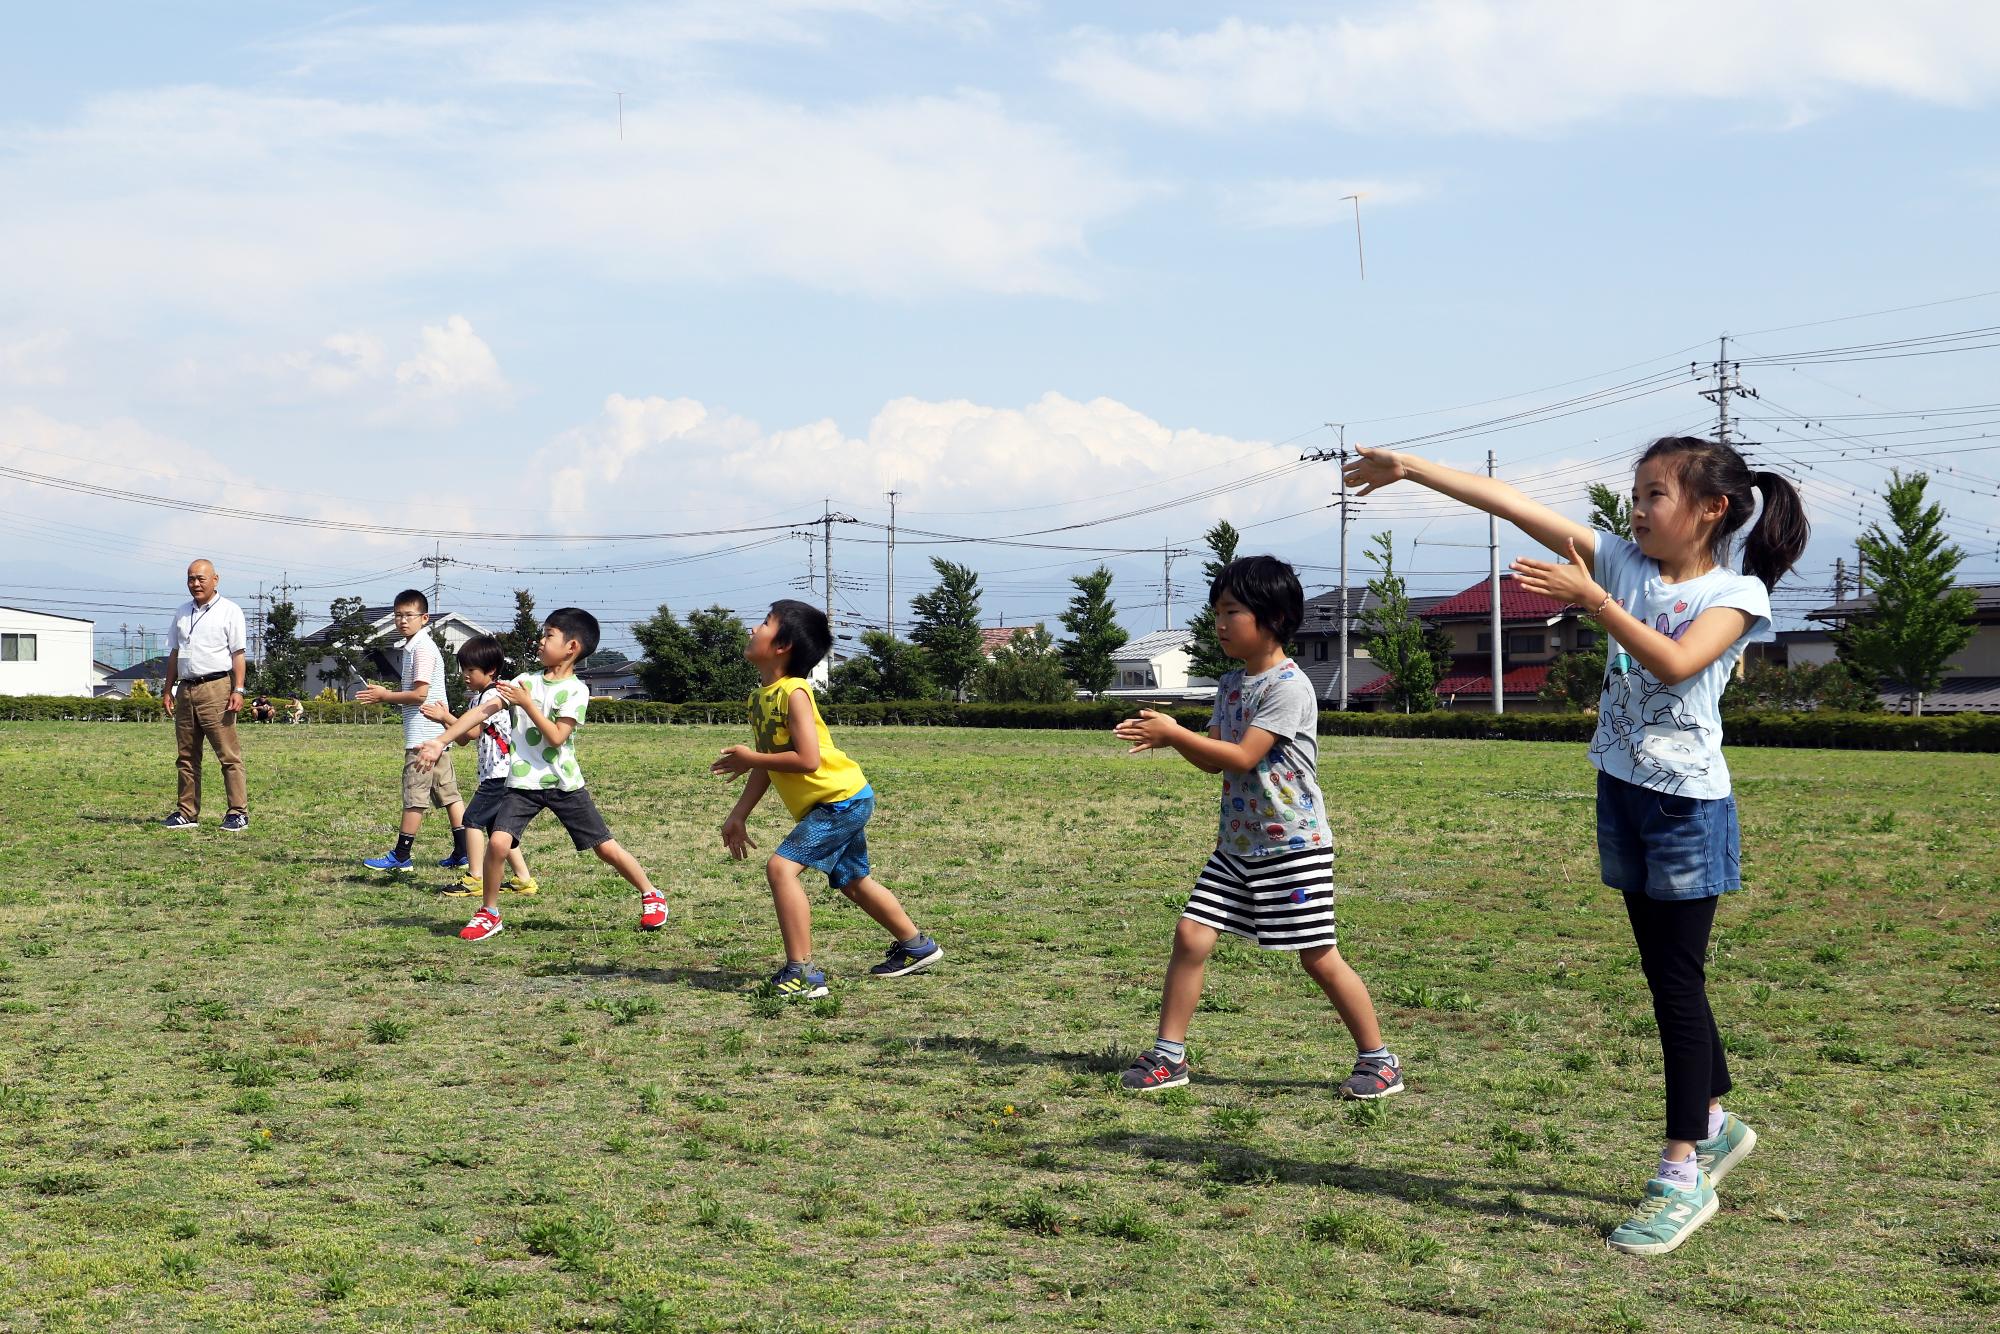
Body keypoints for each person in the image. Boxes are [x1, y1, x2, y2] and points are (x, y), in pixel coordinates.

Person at [1342, 434, 1809, 1257]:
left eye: (1654, 495)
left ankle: (1680, 1173)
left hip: (1686, 811)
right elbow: (1512, 505)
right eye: (1635, 494)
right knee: (1669, 976)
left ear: (1712, 509)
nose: (1636, 510)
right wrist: (1412, 469)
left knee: (1676, 985)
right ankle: (1712, 1122)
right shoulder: (1624, 563)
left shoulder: (1738, 594)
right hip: (1622, 793)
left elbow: (1673, 664)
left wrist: (1593, 601)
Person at [1112, 556, 1403, 1101]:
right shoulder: (1230, 684)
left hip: (1292, 847)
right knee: (1191, 935)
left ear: (1272, 617)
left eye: (1232, 611)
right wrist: (1173, 741)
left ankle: (1379, 1059)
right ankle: (1169, 1056)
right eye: (1216, 612)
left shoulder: (1289, 687)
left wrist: (1175, 733)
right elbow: (1215, 761)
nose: (1220, 624)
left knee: (1317, 954)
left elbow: (1245, 756)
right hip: (1238, 846)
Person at [713, 599, 942, 999]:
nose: (752, 629)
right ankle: (916, 945)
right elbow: (770, 764)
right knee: (854, 881)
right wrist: (739, 814)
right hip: (837, 801)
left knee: (781, 869)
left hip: (841, 800)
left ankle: (802, 972)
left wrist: (751, 757)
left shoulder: (795, 693)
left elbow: (806, 759)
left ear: (783, 645)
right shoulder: (760, 698)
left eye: (764, 623)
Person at [414, 608, 667, 942]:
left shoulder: (577, 691)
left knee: (604, 848)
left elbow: (557, 737)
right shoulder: (524, 682)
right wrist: (439, 741)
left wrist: (528, 704)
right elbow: (479, 712)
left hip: (564, 784)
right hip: (522, 784)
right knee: (499, 842)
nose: (540, 641)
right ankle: (489, 913)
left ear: (572, 647)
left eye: (549, 635)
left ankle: (651, 894)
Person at [357, 591, 469, 873]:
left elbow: (420, 695)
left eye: (409, 615)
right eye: (398, 615)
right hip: (436, 737)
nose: (402, 620)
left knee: (414, 796)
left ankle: (401, 855)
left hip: (423, 738)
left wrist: (384, 696)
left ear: (424, 618)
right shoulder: (417, 647)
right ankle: (463, 851)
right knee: (449, 795)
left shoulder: (421, 649)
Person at [420, 635, 539, 899]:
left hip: (500, 772)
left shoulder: (494, 696)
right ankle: (523, 879)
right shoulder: (479, 697)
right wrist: (444, 723)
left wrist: (444, 716)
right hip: (495, 772)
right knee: (499, 829)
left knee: (471, 820)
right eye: (463, 669)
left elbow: (472, 731)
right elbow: (463, 738)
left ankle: (475, 877)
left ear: (491, 670)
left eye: (471, 670)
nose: (465, 675)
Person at [161, 558, 250, 832]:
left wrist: (238, 689)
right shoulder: (181, 613)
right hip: (186, 689)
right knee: (186, 755)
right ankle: (187, 812)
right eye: (190, 578)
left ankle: (238, 812)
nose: (195, 583)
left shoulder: (229, 611)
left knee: (228, 755)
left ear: (215, 579)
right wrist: (168, 688)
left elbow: (238, 654)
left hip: (217, 688)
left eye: (200, 578)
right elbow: (175, 653)